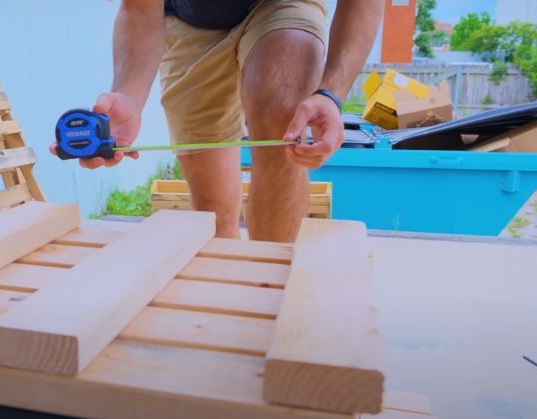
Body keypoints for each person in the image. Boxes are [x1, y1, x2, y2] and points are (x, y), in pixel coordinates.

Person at [52, 0, 383, 242]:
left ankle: (270, 286)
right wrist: (128, 97)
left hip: (282, 5)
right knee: (212, 203)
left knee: (284, 118)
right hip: (191, 18)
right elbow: (139, 7)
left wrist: (331, 94)